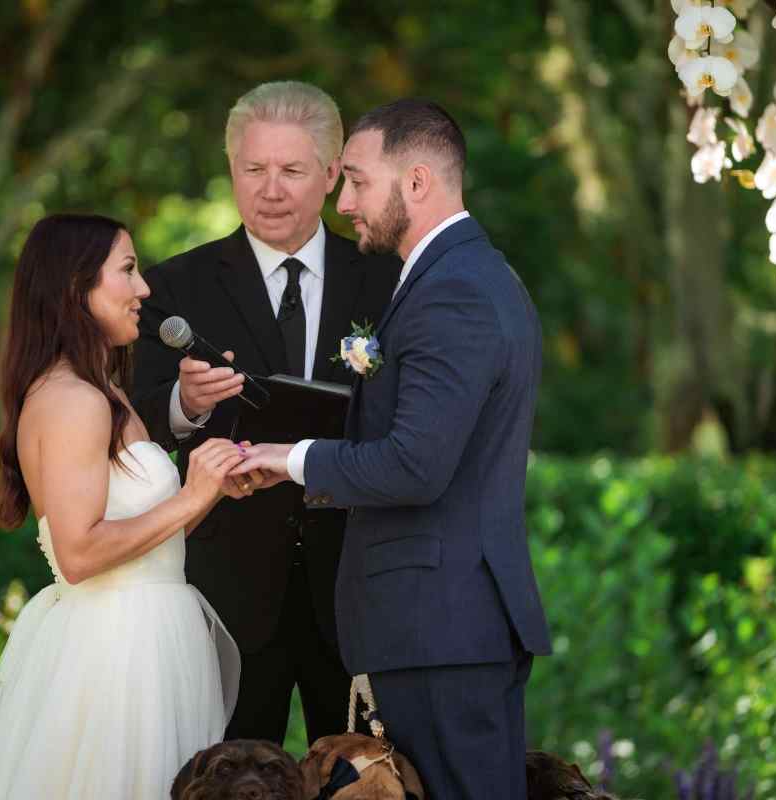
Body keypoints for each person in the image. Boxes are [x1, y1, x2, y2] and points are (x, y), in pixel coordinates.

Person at [233, 100, 553, 799]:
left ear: (415, 181)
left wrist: (290, 459)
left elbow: (415, 465)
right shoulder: (457, 277)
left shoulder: (455, 291)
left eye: (356, 180)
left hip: (440, 632)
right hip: (438, 630)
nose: (343, 202)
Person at [130, 81, 398, 745]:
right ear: (231, 169)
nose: (270, 190)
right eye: (253, 169)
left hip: (358, 585)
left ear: (332, 174)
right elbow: (131, 423)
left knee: (364, 776)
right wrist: (185, 404)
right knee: (232, 779)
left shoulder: (389, 279)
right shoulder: (174, 286)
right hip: (228, 591)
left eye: (291, 171)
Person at [0, 213, 243, 800]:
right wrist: (189, 495)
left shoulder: (105, 392)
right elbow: (80, 553)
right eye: (128, 270)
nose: (144, 289)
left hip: (153, 640)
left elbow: (147, 543)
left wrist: (210, 490)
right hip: (115, 654)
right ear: (75, 287)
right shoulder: (72, 400)